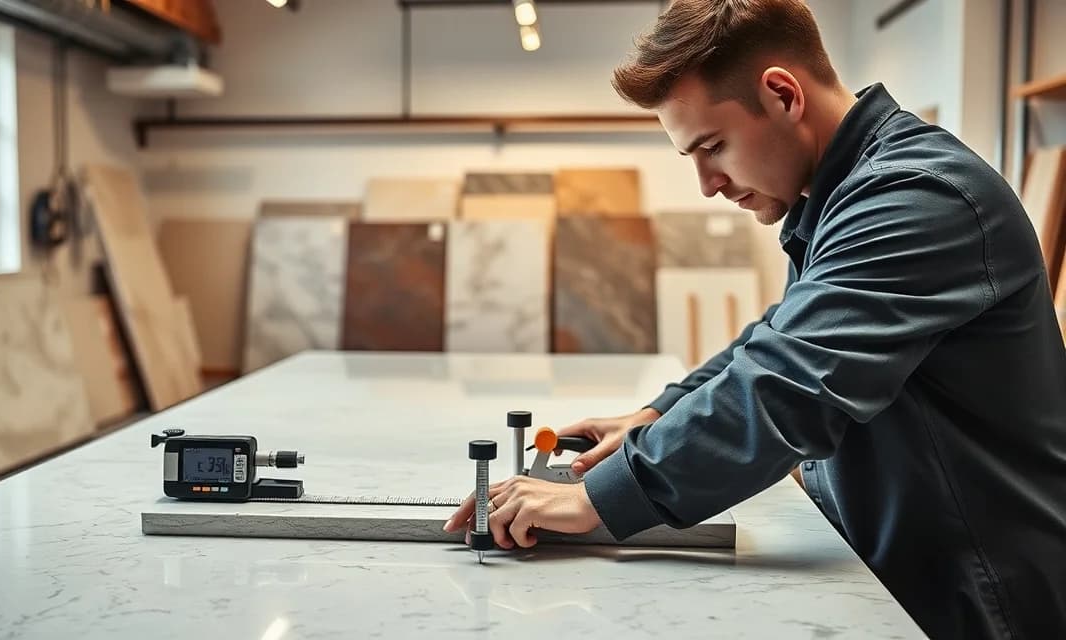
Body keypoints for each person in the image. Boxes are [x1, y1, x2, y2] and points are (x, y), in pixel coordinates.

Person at [442, 1, 1066, 638]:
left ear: (782, 94)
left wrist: (595, 498)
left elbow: (788, 386)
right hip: (911, 571)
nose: (708, 184)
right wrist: (663, 412)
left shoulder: (919, 198)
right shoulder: (847, 190)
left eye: (712, 147)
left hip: (981, 601)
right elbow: (786, 331)